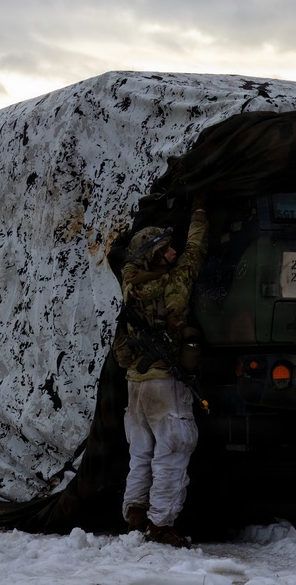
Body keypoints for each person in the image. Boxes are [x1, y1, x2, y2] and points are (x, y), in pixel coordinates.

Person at [116, 194, 208, 548]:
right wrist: (199, 213)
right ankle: (160, 526)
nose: (173, 252)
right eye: (165, 250)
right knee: (174, 450)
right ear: (153, 257)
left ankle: (135, 514)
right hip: (163, 384)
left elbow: (128, 257)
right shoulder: (174, 282)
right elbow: (195, 249)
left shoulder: (130, 282)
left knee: (140, 454)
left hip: (135, 384)